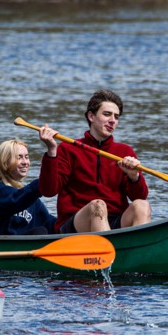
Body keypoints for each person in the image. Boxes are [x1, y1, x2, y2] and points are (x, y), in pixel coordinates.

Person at [38, 89, 151, 233]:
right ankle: (109, 252)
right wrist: (51, 151)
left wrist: (134, 177)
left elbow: (139, 197)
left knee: (142, 205)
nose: (112, 120)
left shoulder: (125, 152)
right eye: (107, 114)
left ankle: (139, 251)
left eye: (116, 117)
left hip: (114, 221)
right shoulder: (68, 149)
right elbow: (48, 191)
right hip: (76, 222)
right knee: (97, 205)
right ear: (91, 116)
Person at [0, 139, 57, 235]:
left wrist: (73, 221)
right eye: (19, 157)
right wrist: (43, 182)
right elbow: (15, 200)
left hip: (20, 245)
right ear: (5, 161)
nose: (25, 162)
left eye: (26, 157)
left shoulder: (29, 198)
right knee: (39, 232)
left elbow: (49, 223)